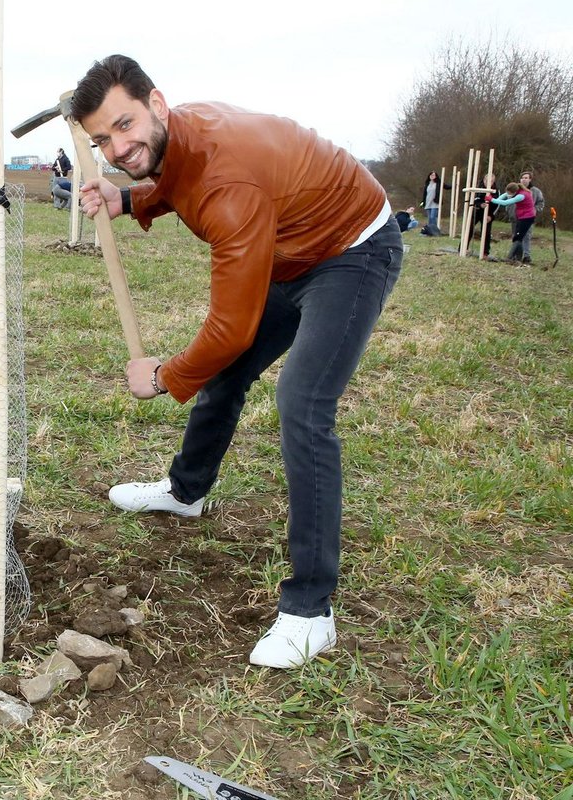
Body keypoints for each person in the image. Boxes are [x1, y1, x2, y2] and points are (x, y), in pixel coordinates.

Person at [72, 55, 402, 669]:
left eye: (124, 126)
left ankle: (311, 611)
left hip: (352, 248)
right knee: (228, 373)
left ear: (158, 105)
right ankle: (185, 492)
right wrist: (130, 203)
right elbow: (175, 177)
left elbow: (229, 328)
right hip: (287, 245)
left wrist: (165, 376)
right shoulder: (182, 136)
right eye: (101, 139)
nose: (117, 148)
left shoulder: (231, 183)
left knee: (302, 401)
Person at [489, 182, 535, 263]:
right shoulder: (516, 191)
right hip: (521, 217)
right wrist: (494, 200)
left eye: (509, 193)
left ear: (514, 192)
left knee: (518, 237)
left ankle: (510, 257)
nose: (508, 195)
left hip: (527, 218)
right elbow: (503, 196)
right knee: (518, 237)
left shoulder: (521, 196)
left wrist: (491, 199)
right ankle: (517, 258)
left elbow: (505, 203)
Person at [518, 171, 545, 264]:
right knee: (516, 235)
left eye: (526, 178)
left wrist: (535, 210)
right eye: (522, 178)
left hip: (529, 217)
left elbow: (541, 203)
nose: (524, 179)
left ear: (530, 179)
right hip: (517, 217)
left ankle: (526, 256)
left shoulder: (536, 191)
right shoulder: (516, 189)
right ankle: (516, 255)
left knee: (526, 236)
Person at [470, 173, 498, 257]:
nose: (488, 183)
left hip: (488, 214)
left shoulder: (496, 190)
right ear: (484, 180)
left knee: (486, 233)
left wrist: (491, 216)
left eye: (491, 181)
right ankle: (463, 248)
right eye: (487, 181)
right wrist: (480, 204)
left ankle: (485, 252)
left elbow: (498, 204)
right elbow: (474, 199)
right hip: (477, 212)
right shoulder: (479, 187)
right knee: (469, 229)